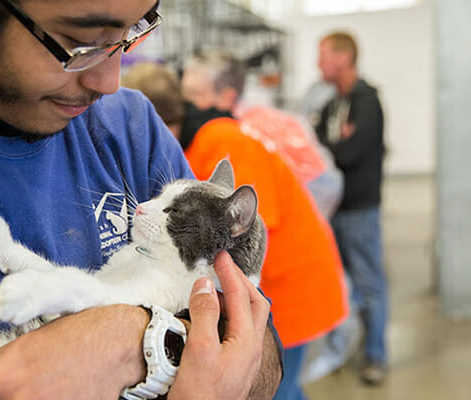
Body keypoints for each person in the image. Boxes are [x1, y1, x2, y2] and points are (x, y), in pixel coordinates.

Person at [0, 1, 283, 399]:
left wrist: (129, 340)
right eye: (79, 42)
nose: (110, 81)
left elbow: (260, 354)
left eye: (133, 32)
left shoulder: (130, 126)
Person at [124, 55, 349, 400]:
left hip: (288, 285)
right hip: (276, 284)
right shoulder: (202, 142)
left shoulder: (222, 141)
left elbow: (251, 226)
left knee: (275, 386)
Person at [314, 31, 388, 385]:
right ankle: (345, 348)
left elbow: (350, 152)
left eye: (324, 55)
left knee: (369, 283)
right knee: (344, 286)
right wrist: (335, 141)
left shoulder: (366, 102)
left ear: (343, 58)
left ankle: (376, 356)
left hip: (360, 210)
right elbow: (317, 150)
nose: (319, 63)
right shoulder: (332, 105)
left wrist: (336, 145)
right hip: (334, 212)